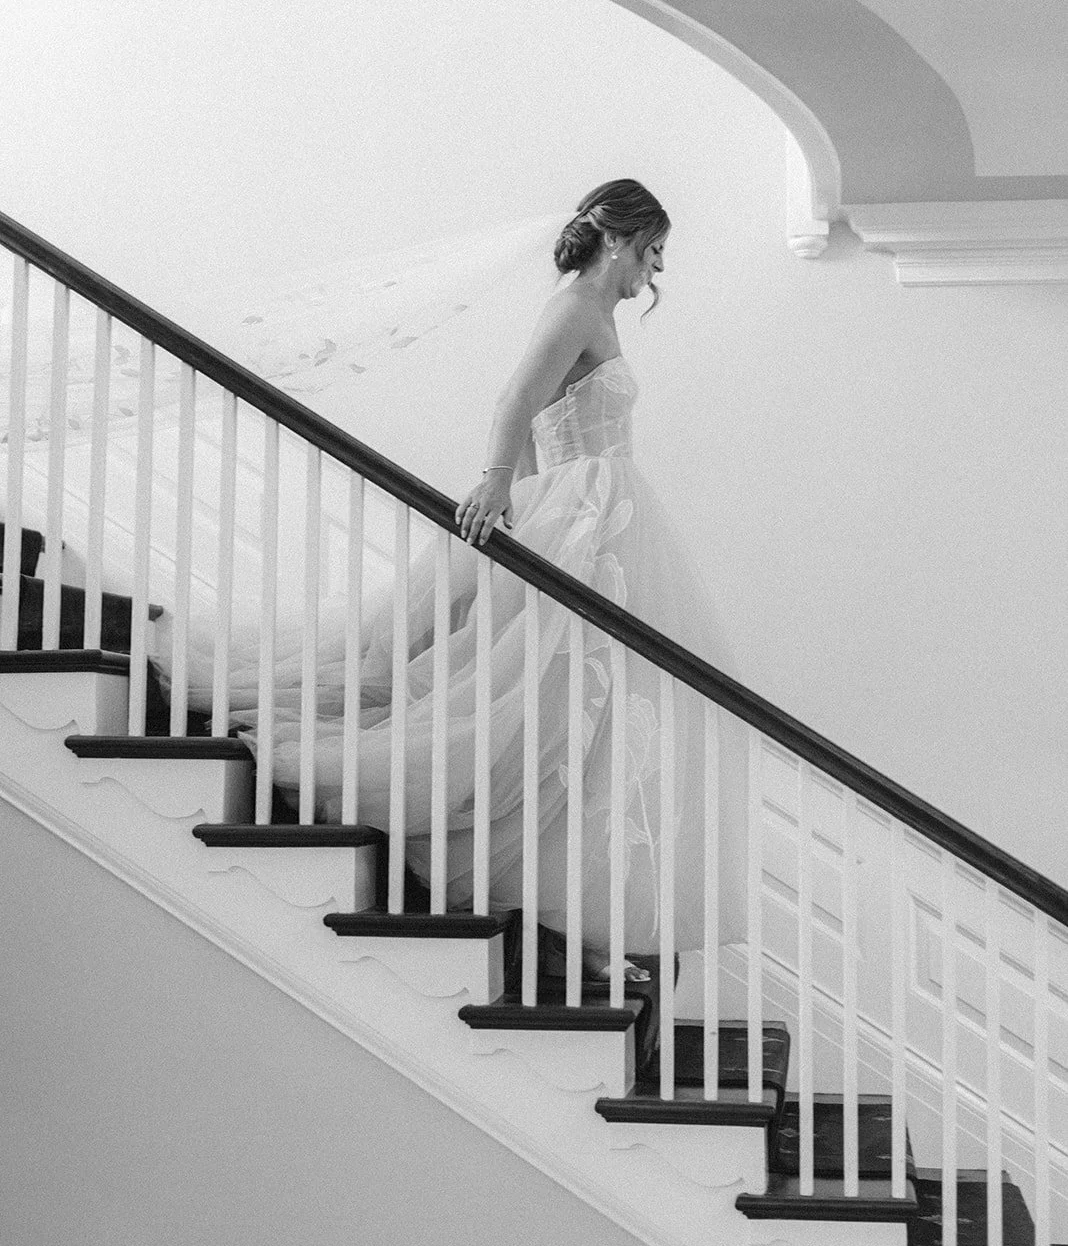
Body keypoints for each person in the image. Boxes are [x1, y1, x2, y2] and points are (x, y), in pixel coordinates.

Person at [163, 179, 747, 982]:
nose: (656, 268)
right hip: (587, 506)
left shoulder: (597, 313)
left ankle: (585, 920)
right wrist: (499, 485)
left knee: (589, 712)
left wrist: (549, 501)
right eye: (653, 249)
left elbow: (553, 416)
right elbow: (517, 398)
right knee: (543, 701)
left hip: (597, 512)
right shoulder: (576, 304)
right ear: (621, 237)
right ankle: (562, 915)